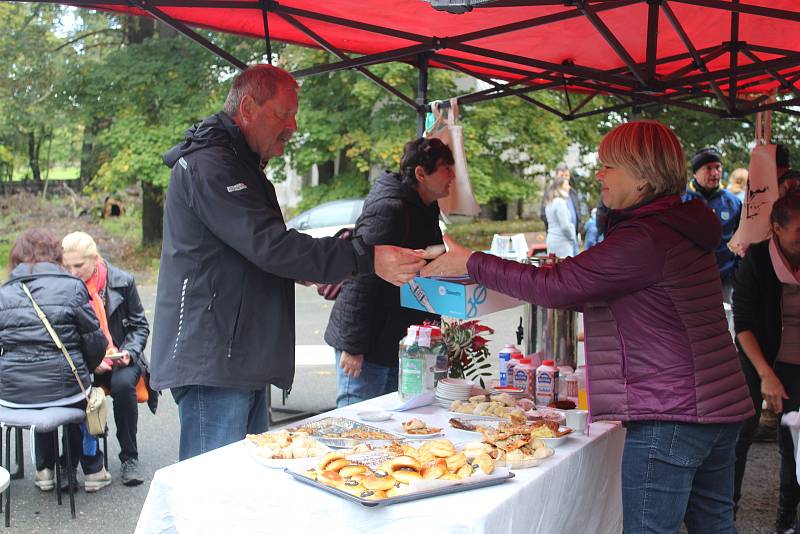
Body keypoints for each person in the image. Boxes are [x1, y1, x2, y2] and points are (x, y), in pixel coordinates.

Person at [422, 120, 753, 533]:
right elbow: (585, 287)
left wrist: (470, 262)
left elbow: (557, 288)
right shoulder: (677, 225)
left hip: (673, 412)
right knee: (716, 524)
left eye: (609, 166)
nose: (598, 175)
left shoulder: (646, 237)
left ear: (644, 176)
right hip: (717, 404)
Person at [151, 64, 425, 461]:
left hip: (237, 356)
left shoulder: (237, 164)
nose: (293, 125)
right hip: (215, 360)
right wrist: (363, 257)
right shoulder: (212, 164)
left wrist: (319, 266)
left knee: (243, 490)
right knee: (212, 496)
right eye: (284, 113)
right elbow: (269, 246)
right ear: (247, 107)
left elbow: (257, 254)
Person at [324, 137, 452, 407]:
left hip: (400, 342)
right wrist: (353, 347)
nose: (452, 175)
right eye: (445, 167)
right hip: (368, 346)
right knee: (357, 425)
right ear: (421, 173)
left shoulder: (426, 208)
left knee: (393, 426)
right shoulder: (390, 209)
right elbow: (360, 277)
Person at [0, 229, 111, 492]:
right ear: (56, 257)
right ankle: (93, 469)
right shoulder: (72, 287)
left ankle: (44, 471)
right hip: (66, 389)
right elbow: (96, 343)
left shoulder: (4, 294)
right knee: (78, 392)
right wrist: (87, 365)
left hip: (14, 395)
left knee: (40, 395)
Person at [62, 231, 153, 486]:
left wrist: (129, 353)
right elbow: (64, 335)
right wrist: (91, 359)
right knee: (71, 386)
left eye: (78, 265)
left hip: (119, 356)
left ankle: (129, 458)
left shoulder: (122, 280)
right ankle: (69, 461)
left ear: (94, 259)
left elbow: (140, 327)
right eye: (66, 266)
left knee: (124, 385)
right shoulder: (64, 286)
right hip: (83, 359)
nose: (71, 272)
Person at [732, 192, 800, 534]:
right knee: (739, 438)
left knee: (796, 444)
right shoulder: (756, 261)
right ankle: (724, 518)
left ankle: (787, 521)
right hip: (757, 359)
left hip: (798, 365)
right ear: (776, 228)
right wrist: (766, 374)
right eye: (799, 233)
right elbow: (742, 324)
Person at [683, 147, 742, 305]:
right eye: (708, 168)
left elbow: (742, 240)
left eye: (718, 167)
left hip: (723, 281)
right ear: (695, 172)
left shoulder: (733, 203)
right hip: (688, 280)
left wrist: (735, 272)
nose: (715, 173)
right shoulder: (681, 201)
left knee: (723, 325)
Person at [540, 163, 582, 253]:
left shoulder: (573, 193)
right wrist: (557, 228)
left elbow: (578, 212)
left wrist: (577, 231)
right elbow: (544, 214)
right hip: (562, 238)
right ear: (556, 176)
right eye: (561, 175)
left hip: (572, 235)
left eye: (567, 175)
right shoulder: (551, 195)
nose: (564, 178)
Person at [542, 175, 577, 258]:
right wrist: (572, 237)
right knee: (565, 268)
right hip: (562, 242)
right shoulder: (560, 202)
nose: (569, 187)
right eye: (566, 185)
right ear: (560, 187)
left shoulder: (550, 202)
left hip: (552, 240)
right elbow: (565, 226)